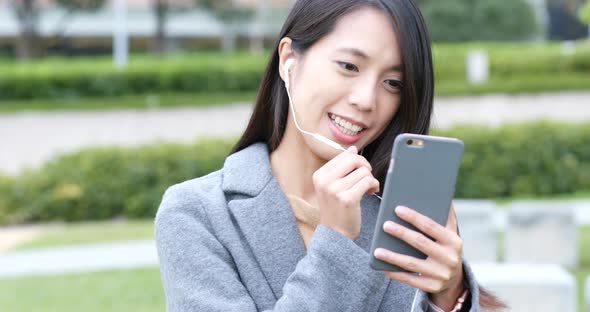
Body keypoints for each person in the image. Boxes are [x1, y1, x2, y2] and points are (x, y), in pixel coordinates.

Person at [155, 0, 506, 311]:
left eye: (393, 83)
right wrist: (337, 240)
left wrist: (451, 297)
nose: (366, 99)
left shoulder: (400, 213)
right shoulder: (196, 214)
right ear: (289, 60)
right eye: (349, 66)